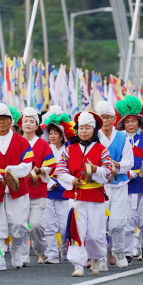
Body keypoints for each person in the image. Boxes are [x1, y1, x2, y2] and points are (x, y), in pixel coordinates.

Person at [54, 111, 112, 276]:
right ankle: (78, 264)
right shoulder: (69, 149)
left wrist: (95, 170)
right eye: (81, 128)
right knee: (77, 231)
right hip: (76, 196)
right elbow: (60, 170)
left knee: (95, 233)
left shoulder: (102, 150)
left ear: (93, 130)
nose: (84, 131)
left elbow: (108, 173)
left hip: (95, 195)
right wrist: (71, 180)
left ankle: (96, 258)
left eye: (87, 128)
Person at [0, 103, 35, 270]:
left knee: (19, 224)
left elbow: (28, 164)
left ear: (11, 121)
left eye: (5, 119)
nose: (2, 122)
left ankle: (16, 249)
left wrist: (11, 171)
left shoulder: (22, 141)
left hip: (18, 188)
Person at [116, 96, 143, 263]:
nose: (131, 124)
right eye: (127, 121)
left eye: (134, 121)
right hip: (126, 184)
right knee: (127, 221)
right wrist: (125, 172)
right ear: (123, 123)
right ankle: (127, 252)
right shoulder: (120, 139)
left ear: (139, 122)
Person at [95, 100, 133, 268]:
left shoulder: (122, 136)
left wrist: (115, 164)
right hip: (100, 185)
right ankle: (101, 255)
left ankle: (117, 250)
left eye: (109, 117)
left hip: (119, 184)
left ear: (114, 119)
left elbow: (129, 161)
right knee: (101, 222)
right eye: (102, 117)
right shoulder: (94, 136)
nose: (106, 120)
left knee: (117, 222)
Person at [41, 109, 76, 263]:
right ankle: (52, 254)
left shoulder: (69, 150)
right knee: (48, 224)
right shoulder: (44, 149)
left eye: (56, 132)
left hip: (65, 191)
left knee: (64, 224)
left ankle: (66, 250)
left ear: (63, 134)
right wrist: (49, 183)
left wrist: (62, 182)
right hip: (48, 191)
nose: (53, 135)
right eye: (51, 133)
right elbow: (39, 168)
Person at [20, 106, 52, 264]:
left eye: (31, 121)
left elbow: (50, 165)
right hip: (19, 191)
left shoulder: (43, 144)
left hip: (38, 191)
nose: (28, 123)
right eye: (25, 120)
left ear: (37, 125)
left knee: (35, 225)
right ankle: (23, 257)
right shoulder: (16, 143)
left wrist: (40, 170)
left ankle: (40, 248)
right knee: (22, 225)